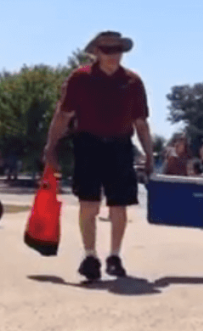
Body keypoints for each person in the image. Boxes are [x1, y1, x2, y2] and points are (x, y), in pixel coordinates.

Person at [43, 30, 153, 281]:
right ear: (96, 52)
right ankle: (90, 255)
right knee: (89, 203)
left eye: (117, 50)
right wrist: (50, 147)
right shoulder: (80, 79)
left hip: (121, 145)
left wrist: (148, 153)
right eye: (107, 50)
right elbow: (63, 115)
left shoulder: (133, 82)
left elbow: (141, 122)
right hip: (88, 143)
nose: (113, 55)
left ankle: (114, 255)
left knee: (119, 205)